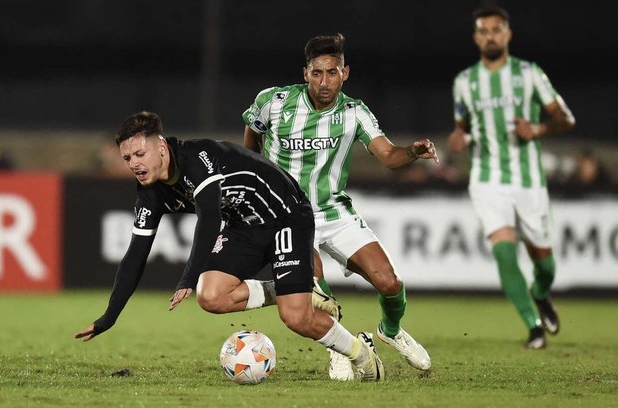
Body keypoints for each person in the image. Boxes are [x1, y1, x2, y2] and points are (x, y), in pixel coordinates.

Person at [74, 111, 385, 381]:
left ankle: (362, 354)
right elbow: (135, 255)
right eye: (127, 158)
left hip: (285, 215)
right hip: (244, 225)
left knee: (296, 319)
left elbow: (208, 219)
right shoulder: (149, 192)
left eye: (140, 154)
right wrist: (109, 317)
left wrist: (186, 277)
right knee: (210, 296)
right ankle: (291, 288)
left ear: (161, 146)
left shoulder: (197, 159)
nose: (134, 164)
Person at [242, 33, 437, 380]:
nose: (324, 81)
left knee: (391, 283)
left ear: (344, 73)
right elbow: (250, 138)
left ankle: (390, 331)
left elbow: (389, 156)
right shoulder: (274, 101)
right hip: (288, 218)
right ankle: (342, 349)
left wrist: (413, 152)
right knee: (317, 290)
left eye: (332, 72)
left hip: (334, 212)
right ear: (305, 73)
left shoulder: (353, 111)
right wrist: (257, 181)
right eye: (317, 73)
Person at [447, 6, 575, 349]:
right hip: (487, 180)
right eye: (484, 31)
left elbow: (565, 119)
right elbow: (464, 130)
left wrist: (538, 128)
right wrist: (460, 139)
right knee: (504, 253)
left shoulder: (529, 74)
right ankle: (534, 327)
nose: (490, 35)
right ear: (476, 37)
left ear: (508, 34)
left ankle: (541, 292)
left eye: (496, 29)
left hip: (529, 180)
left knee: (544, 264)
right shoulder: (464, 82)